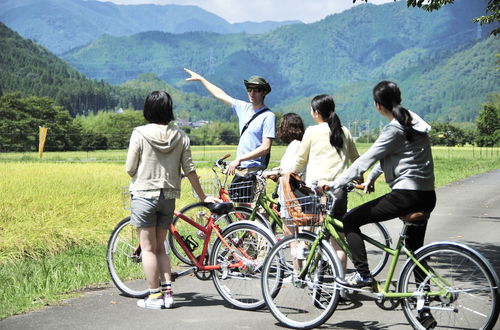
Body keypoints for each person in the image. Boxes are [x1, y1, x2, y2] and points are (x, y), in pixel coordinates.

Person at [329, 81, 436, 291]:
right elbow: (394, 153)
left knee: (350, 220)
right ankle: (425, 303)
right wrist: (371, 178)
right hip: (427, 196)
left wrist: (335, 183)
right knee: (415, 250)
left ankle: (362, 274)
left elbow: (365, 160)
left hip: (406, 195)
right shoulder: (412, 120)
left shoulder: (394, 129)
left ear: (378, 105)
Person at [126, 90, 218, 309]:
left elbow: (130, 168)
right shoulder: (181, 136)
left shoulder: (139, 133)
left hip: (145, 195)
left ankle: (155, 296)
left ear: (148, 109)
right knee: (161, 248)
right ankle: (168, 294)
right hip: (169, 197)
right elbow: (190, 170)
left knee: (148, 249)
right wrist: (203, 197)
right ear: (169, 109)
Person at [290, 94, 359, 269]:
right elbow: (355, 159)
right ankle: (340, 285)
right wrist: (360, 178)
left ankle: (305, 273)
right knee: (338, 239)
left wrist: (290, 174)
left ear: (316, 112)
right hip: (339, 191)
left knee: (308, 230)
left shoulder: (312, 131)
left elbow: (300, 161)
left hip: (317, 190)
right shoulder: (345, 131)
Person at [184, 68, 276, 175]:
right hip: (240, 169)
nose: (252, 93)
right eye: (249, 89)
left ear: (264, 92)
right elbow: (220, 95)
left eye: (257, 90)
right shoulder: (243, 108)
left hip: (254, 170)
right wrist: (201, 79)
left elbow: (265, 148)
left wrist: (239, 159)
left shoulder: (268, 116)